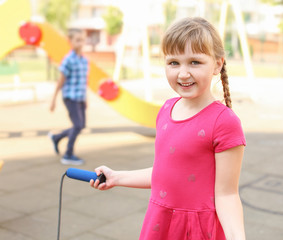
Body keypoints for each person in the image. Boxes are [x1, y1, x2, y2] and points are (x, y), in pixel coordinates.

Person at [91, 17, 246, 240]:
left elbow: (228, 195)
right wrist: (117, 177)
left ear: (217, 64)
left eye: (195, 62)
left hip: (196, 230)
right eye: (174, 63)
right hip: (159, 223)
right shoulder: (165, 110)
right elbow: (165, 173)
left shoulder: (224, 122)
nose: (183, 73)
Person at [48, 29, 89, 165]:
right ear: (70, 41)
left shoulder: (84, 60)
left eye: (82, 39)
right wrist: (53, 99)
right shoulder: (68, 60)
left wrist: (86, 99)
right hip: (70, 97)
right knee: (77, 125)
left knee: (81, 125)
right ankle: (68, 154)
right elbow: (60, 81)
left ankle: (56, 137)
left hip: (80, 98)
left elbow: (84, 81)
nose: (81, 43)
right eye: (77, 40)